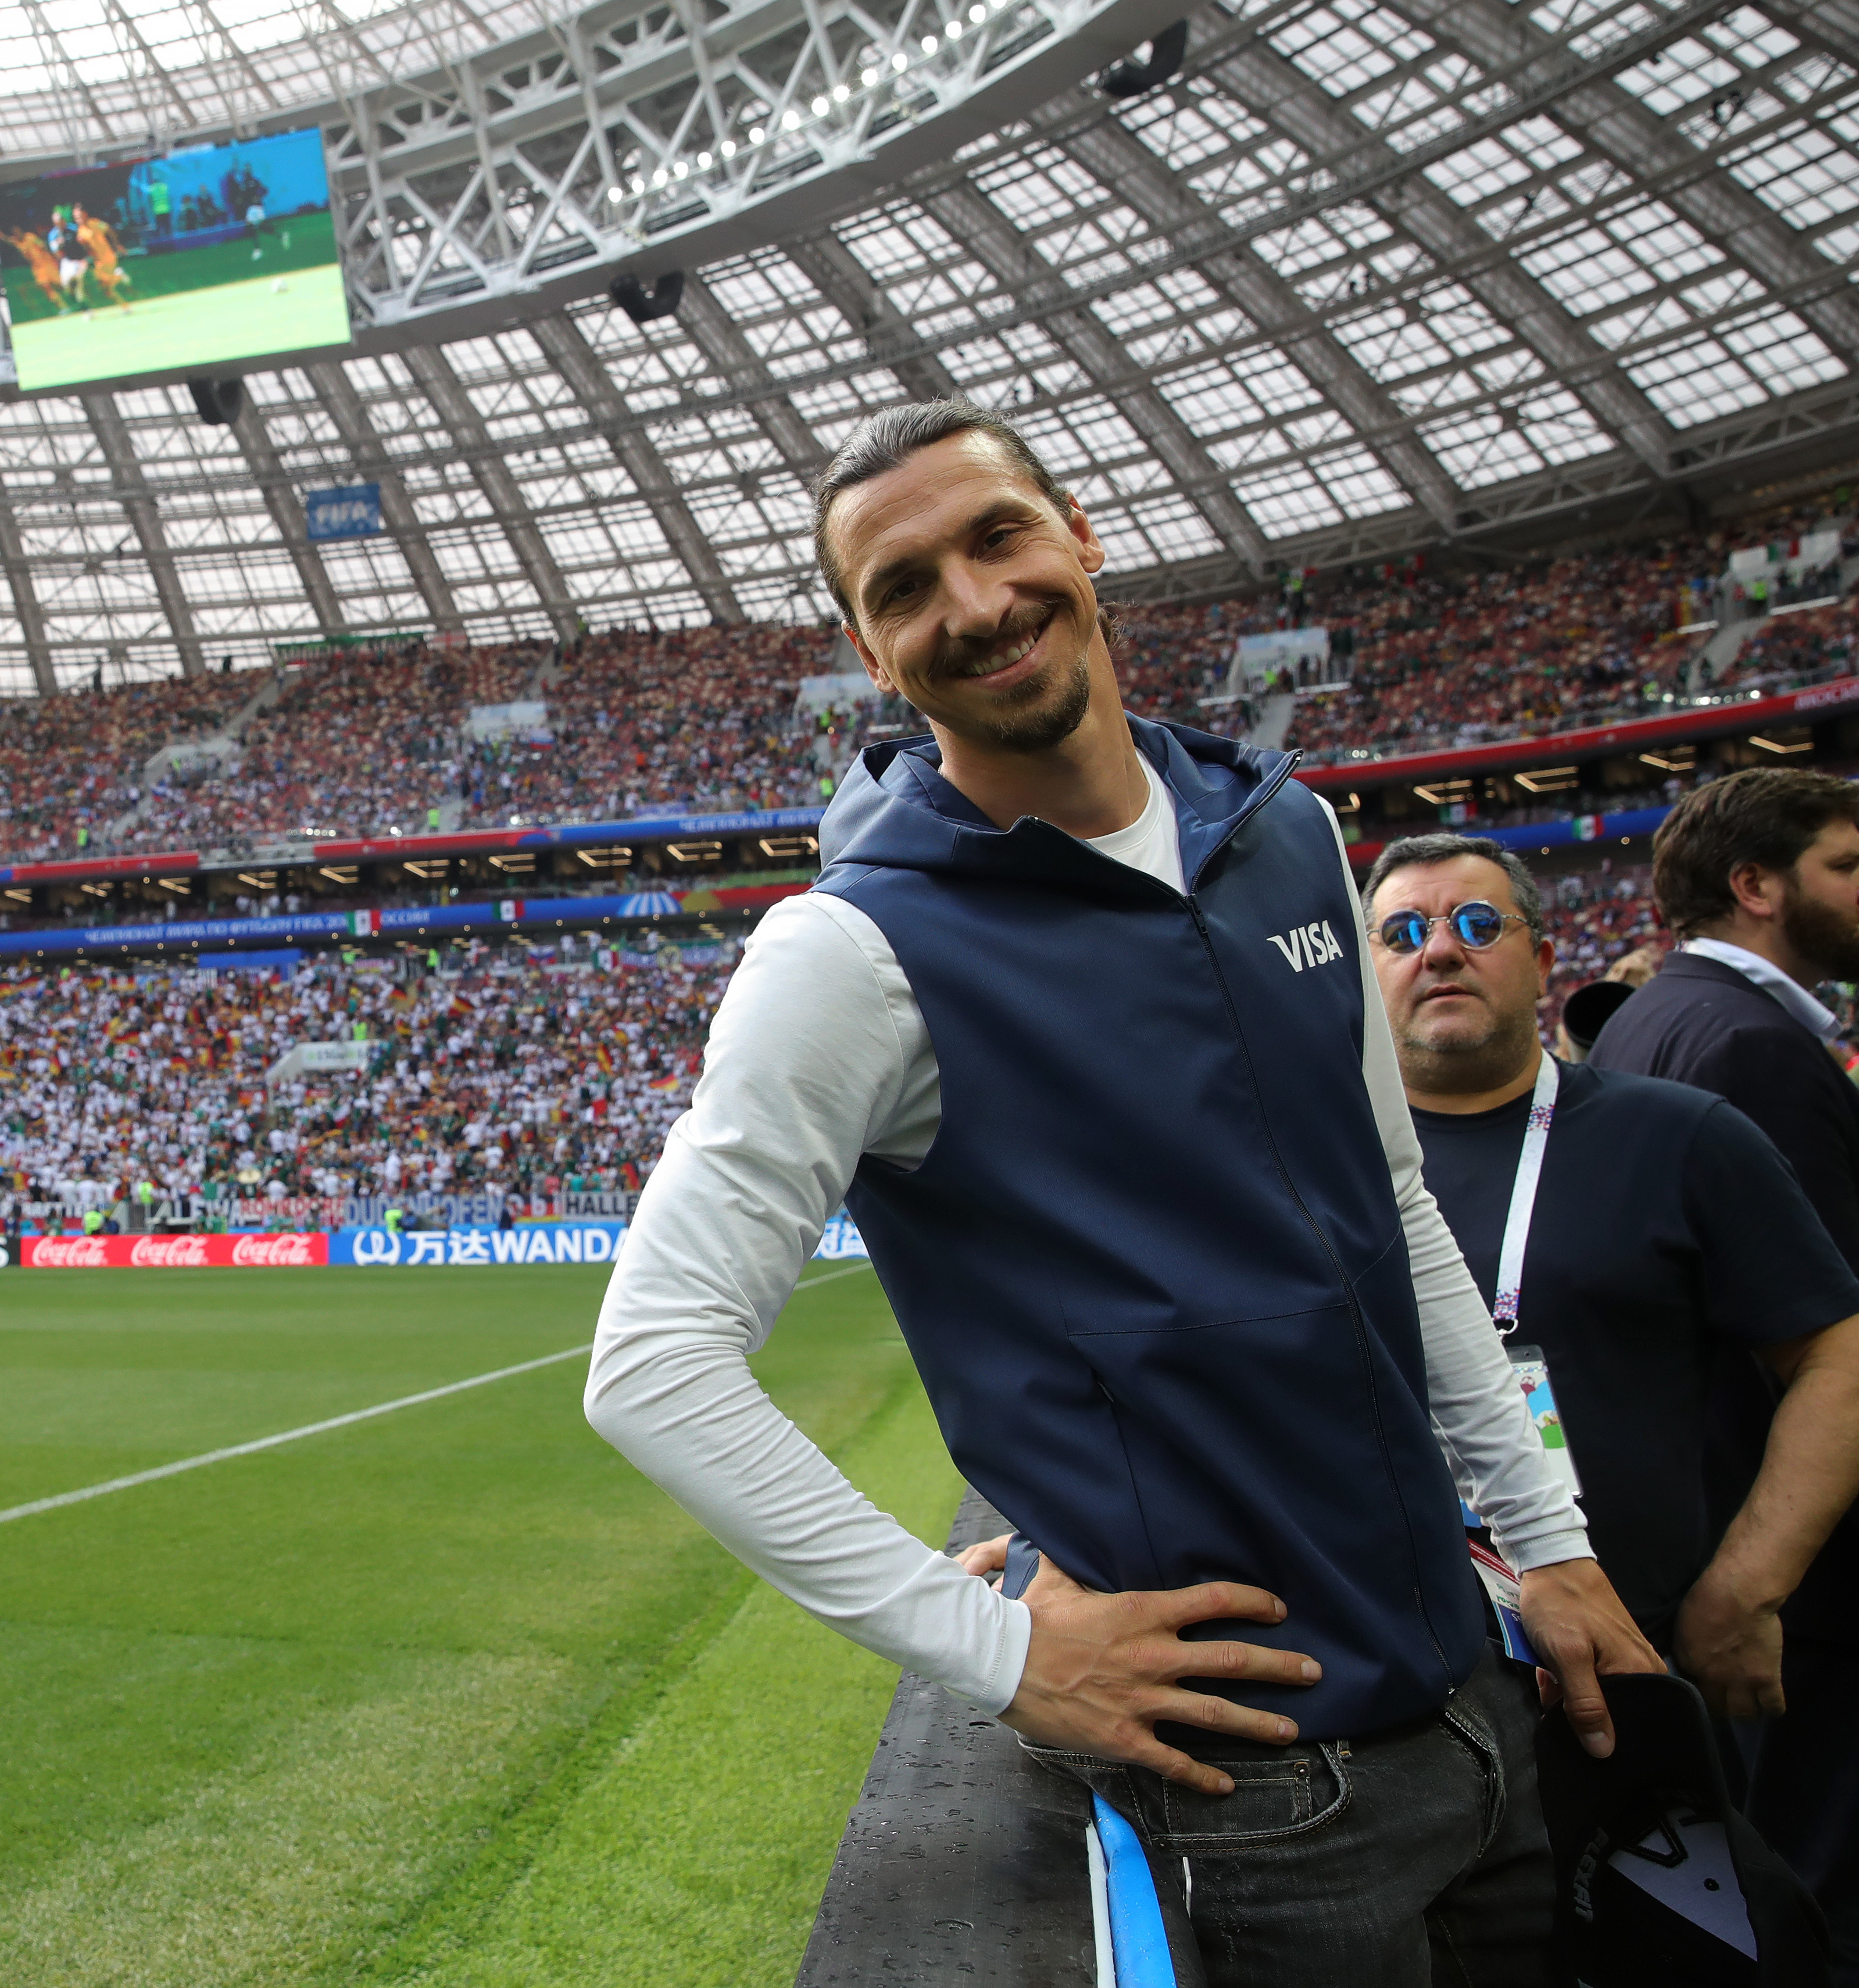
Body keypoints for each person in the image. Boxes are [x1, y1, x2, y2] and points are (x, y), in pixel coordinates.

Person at [586, 399, 1655, 1986]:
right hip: (1253, 1786)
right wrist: (1005, 1657)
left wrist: (1548, 1539)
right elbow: (654, 1363)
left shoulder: (1287, 832)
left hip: (1475, 1692)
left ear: (1080, 537)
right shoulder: (849, 953)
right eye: (901, 588)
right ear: (872, 657)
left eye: (995, 534)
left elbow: (1393, 1205)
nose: (970, 601)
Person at [1364, 832, 1859, 1701]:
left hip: (1642, 1664)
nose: (1439, 949)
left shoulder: (1682, 1137)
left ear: (1544, 959)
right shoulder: (1308, 1166)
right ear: (1361, 976)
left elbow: (1835, 1358)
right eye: (1402, 934)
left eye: (1478, 924)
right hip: (1396, 1694)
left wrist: (1745, 1587)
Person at [1589, 768, 1859, 1973]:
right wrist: (1761, 1579)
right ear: (1756, 887)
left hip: (1715, 1532)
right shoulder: (1755, 1048)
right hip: (1790, 1564)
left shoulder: (1659, 1014)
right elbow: (1826, 1343)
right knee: (1819, 1879)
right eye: (1846, 868)